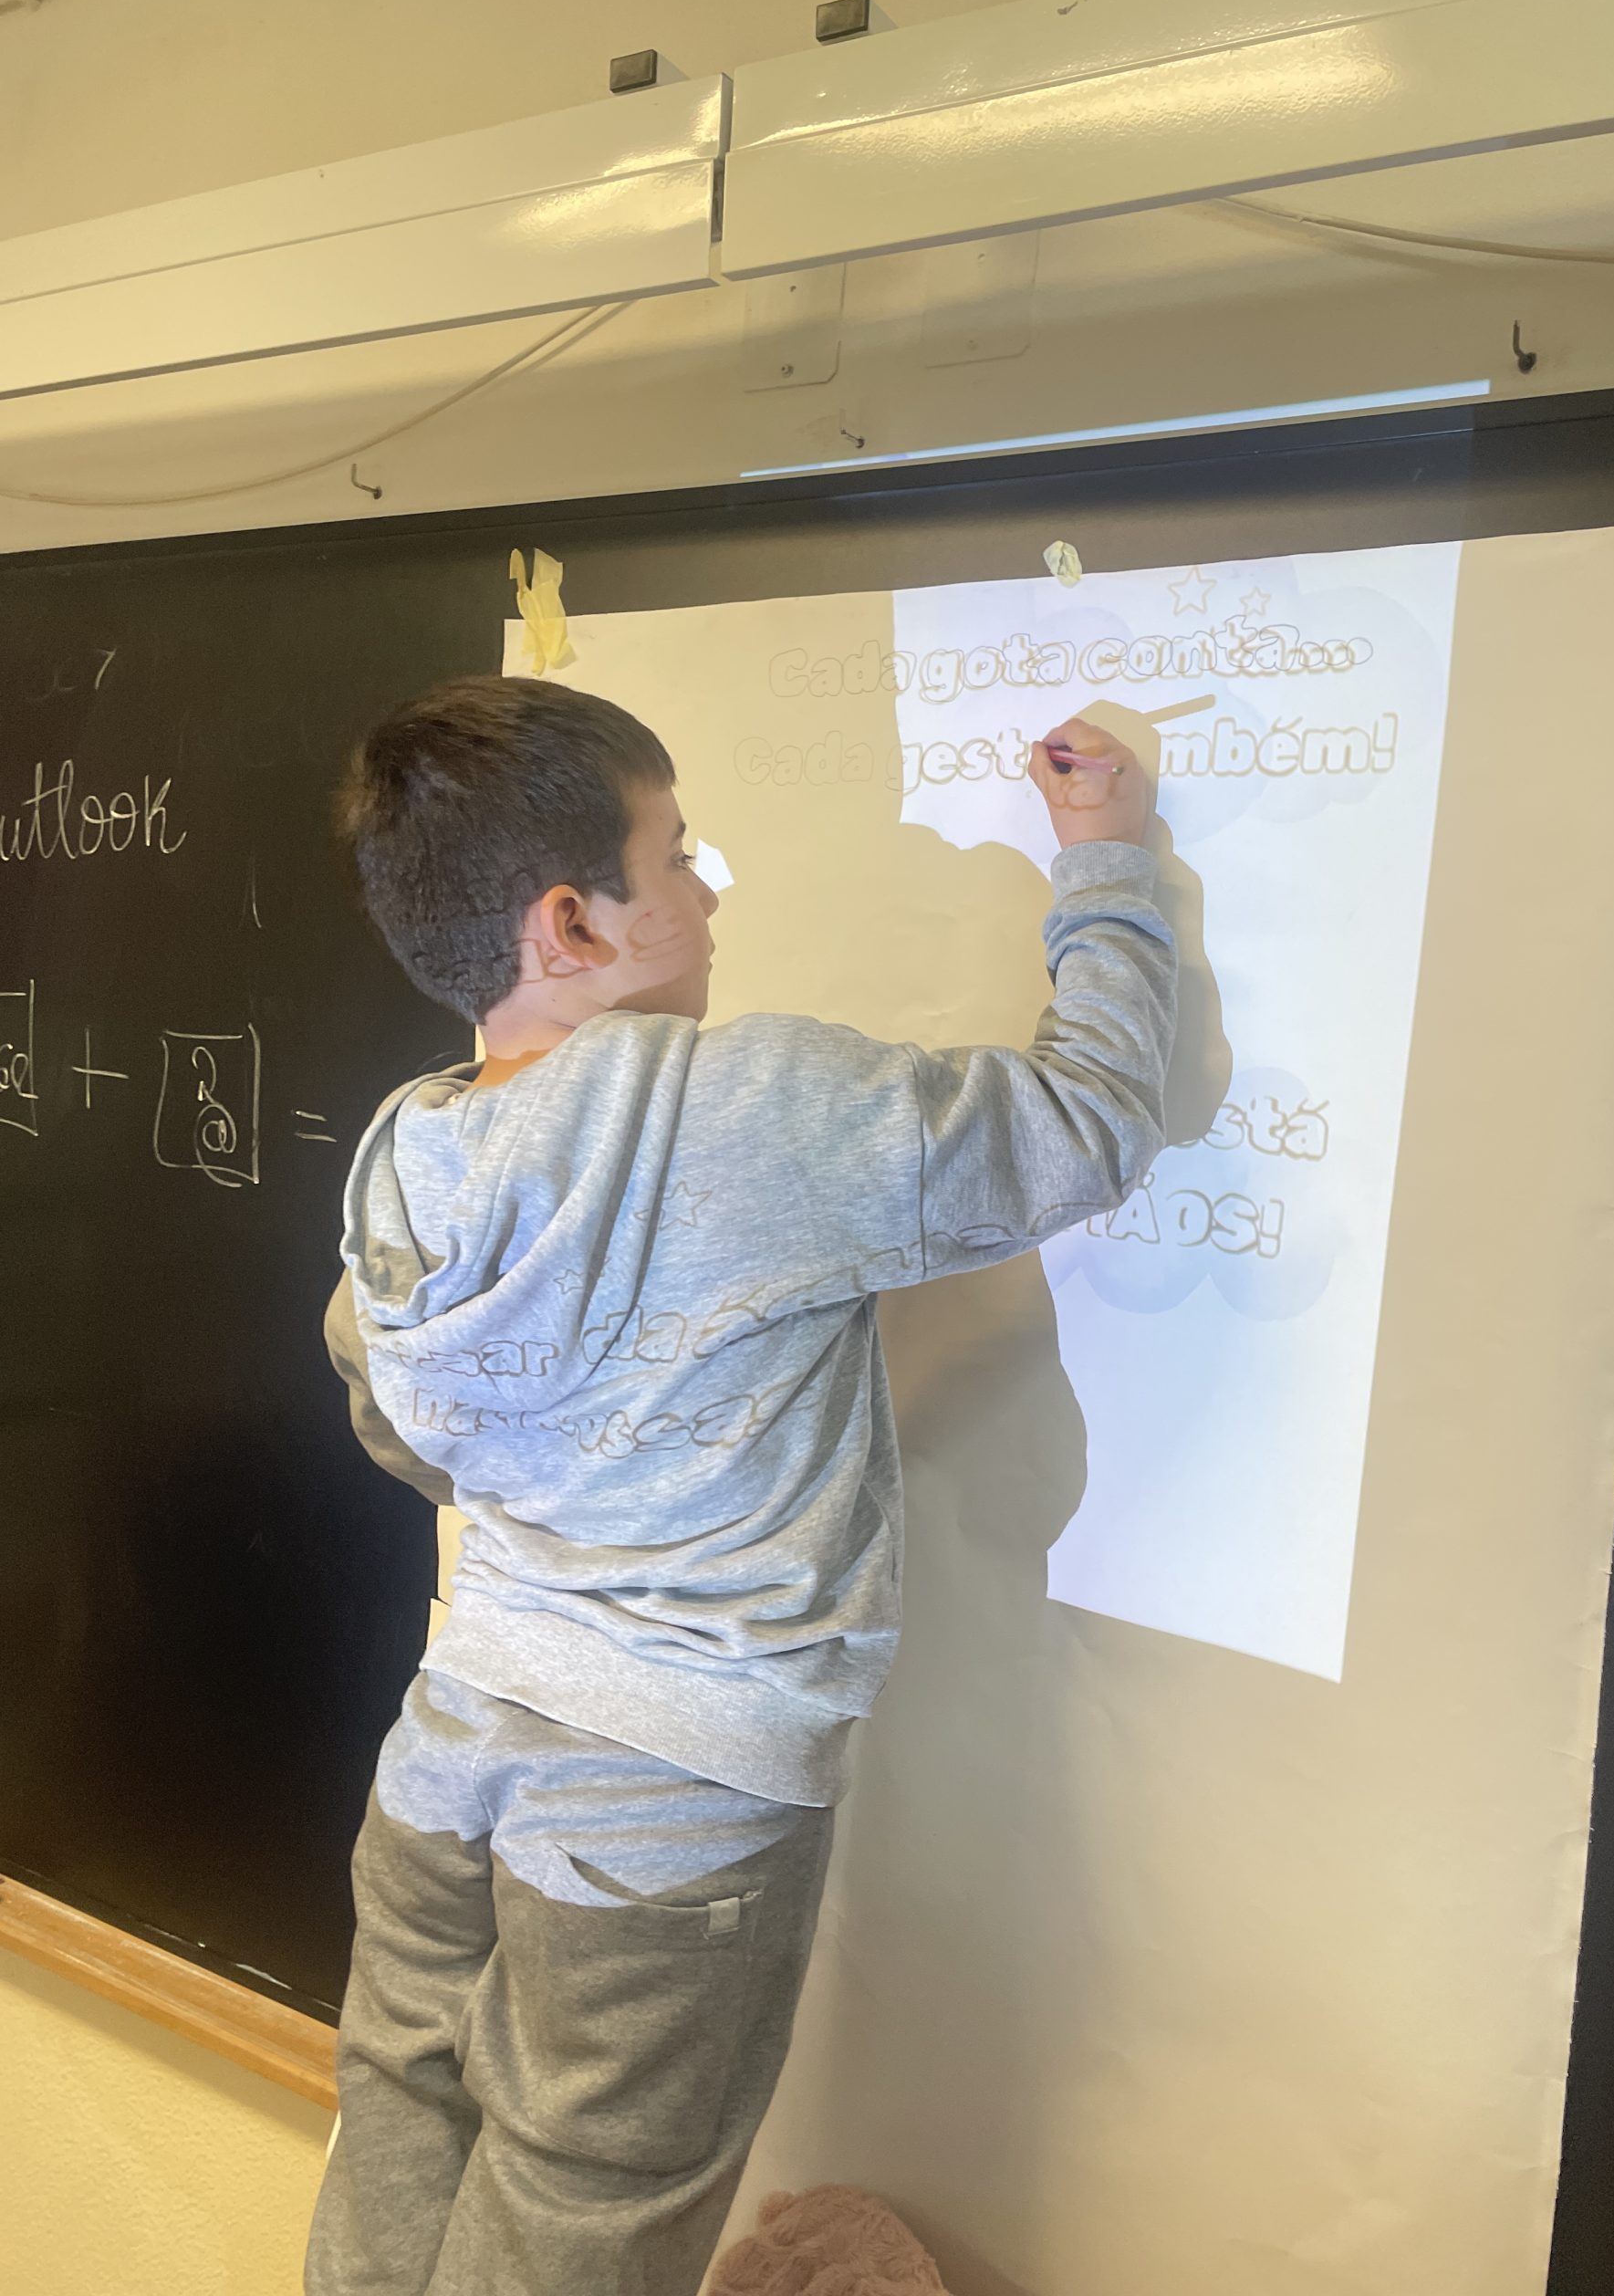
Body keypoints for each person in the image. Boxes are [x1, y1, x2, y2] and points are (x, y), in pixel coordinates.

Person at [304, 674, 1176, 2296]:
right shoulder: (753, 1109)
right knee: (578, 2217)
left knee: (400, 2124)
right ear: (570, 924)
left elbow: (399, 1425)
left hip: (451, 1760)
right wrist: (1108, 861)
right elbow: (1086, 1123)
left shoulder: (402, 1158)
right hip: (667, 1810)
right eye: (678, 856)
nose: (709, 892)